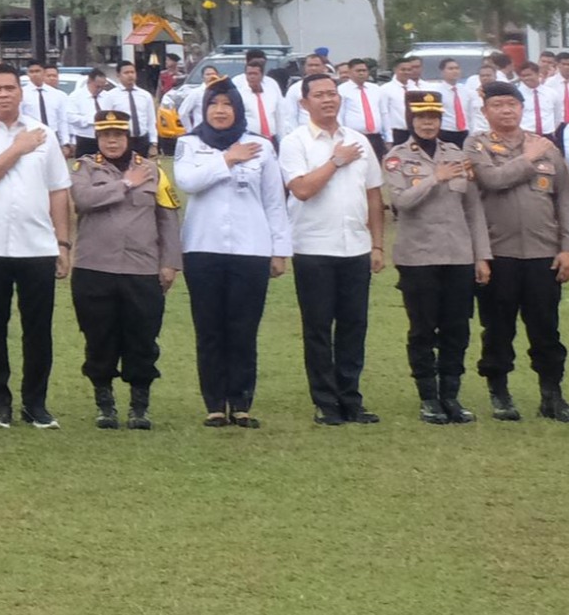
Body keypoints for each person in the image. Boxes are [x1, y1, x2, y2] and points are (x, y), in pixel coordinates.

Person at [0, 62, 73, 430]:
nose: (4, 94)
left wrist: (63, 241)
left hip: (38, 245)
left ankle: (35, 403)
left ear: (20, 92)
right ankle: (0, 404)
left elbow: (58, 189)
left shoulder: (43, 134)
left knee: (38, 330)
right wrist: (17, 149)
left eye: (10, 88)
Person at [466, 77, 569, 421]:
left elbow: (565, 199)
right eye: (498, 105)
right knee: (499, 327)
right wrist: (528, 159)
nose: (506, 111)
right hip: (499, 254)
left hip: (543, 253)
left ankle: (552, 395)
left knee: (546, 327)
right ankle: (499, 392)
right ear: (486, 111)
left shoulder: (545, 146)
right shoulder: (477, 145)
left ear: (522, 108)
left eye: (512, 105)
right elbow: (492, 180)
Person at [169, 78, 286, 427]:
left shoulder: (261, 145)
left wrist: (279, 250)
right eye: (213, 105)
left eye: (227, 105)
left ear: (237, 109)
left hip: (251, 248)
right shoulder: (189, 144)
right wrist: (228, 159)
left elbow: (274, 201)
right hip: (202, 248)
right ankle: (215, 404)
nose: (220, 111)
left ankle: (242, 401)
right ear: (204, 110)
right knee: (209, 327)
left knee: (243, 328)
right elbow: (188, 183)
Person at [382, 90, 492, 422]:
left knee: (457, 327)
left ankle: (451, 396)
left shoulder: (456, 154)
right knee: (423, 328)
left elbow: (474, 211)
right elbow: (401, 202)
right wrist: (435, 178)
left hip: (458, 254)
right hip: (418, 257)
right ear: (411, 120)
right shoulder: (397, 157)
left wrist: (482, 256)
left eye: (434, 118)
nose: (428, 124)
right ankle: (428, 397)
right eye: (421, 118)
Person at [279, 69, 381, 425]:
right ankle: (325, 402)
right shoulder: (295, 142)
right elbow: (302, 189)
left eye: (332, 93)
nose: (327, 99)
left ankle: (350, 398)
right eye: (319, 94)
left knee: (354, 326)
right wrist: (336, 161)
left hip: (355, 245)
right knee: (319, 328)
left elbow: (373, 193)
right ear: (305, 102)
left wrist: (378, 244)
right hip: (313, 247)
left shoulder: (359, 140)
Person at [67, 104, 179, 428]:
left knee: (142, 338)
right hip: (95, 267)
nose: (112, 141)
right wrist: (126, 184)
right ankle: (104, 402)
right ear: (97, 137)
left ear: (128, 136)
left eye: (118, 135)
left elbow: (167, 218)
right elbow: (83, 200)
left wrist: (170, 262)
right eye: (105, 135)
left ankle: (139, 405)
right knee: (99, 336)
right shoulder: (84, 167)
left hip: (141, 269)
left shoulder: (152, 170)